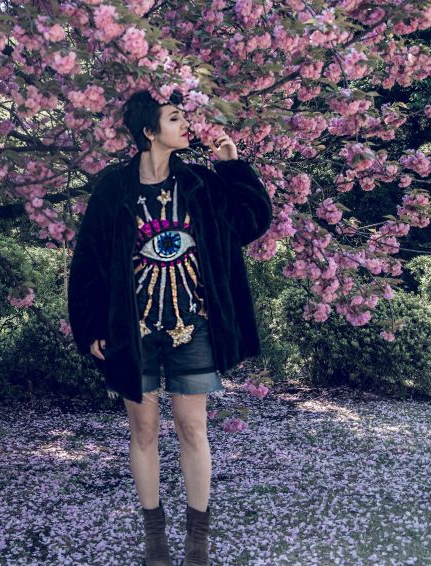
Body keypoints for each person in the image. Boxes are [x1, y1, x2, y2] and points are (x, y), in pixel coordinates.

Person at [67, 89, 273, 565]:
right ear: (148, 131)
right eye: (174, 118)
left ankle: (196, 544)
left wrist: (234, 168)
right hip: (131, 328)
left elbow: (252, 221)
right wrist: (91, 326)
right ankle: (155, 541)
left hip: (192, 325)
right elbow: (89, 261)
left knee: (192, 428)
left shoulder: (201, 183)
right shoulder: (113, 189)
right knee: (142, 431)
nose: (186, 125)